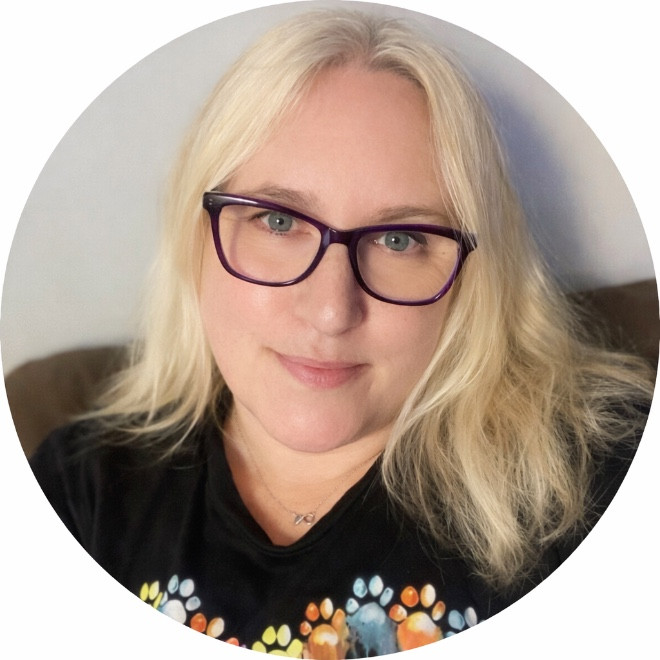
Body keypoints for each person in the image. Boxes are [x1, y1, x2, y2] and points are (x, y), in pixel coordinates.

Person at [29, 8, 654, 657]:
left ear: (476, 277)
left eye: (399, 238)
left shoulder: (599, 487)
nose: (331, 311)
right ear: (197, 239)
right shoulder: (81, 491)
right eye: (278, 222)